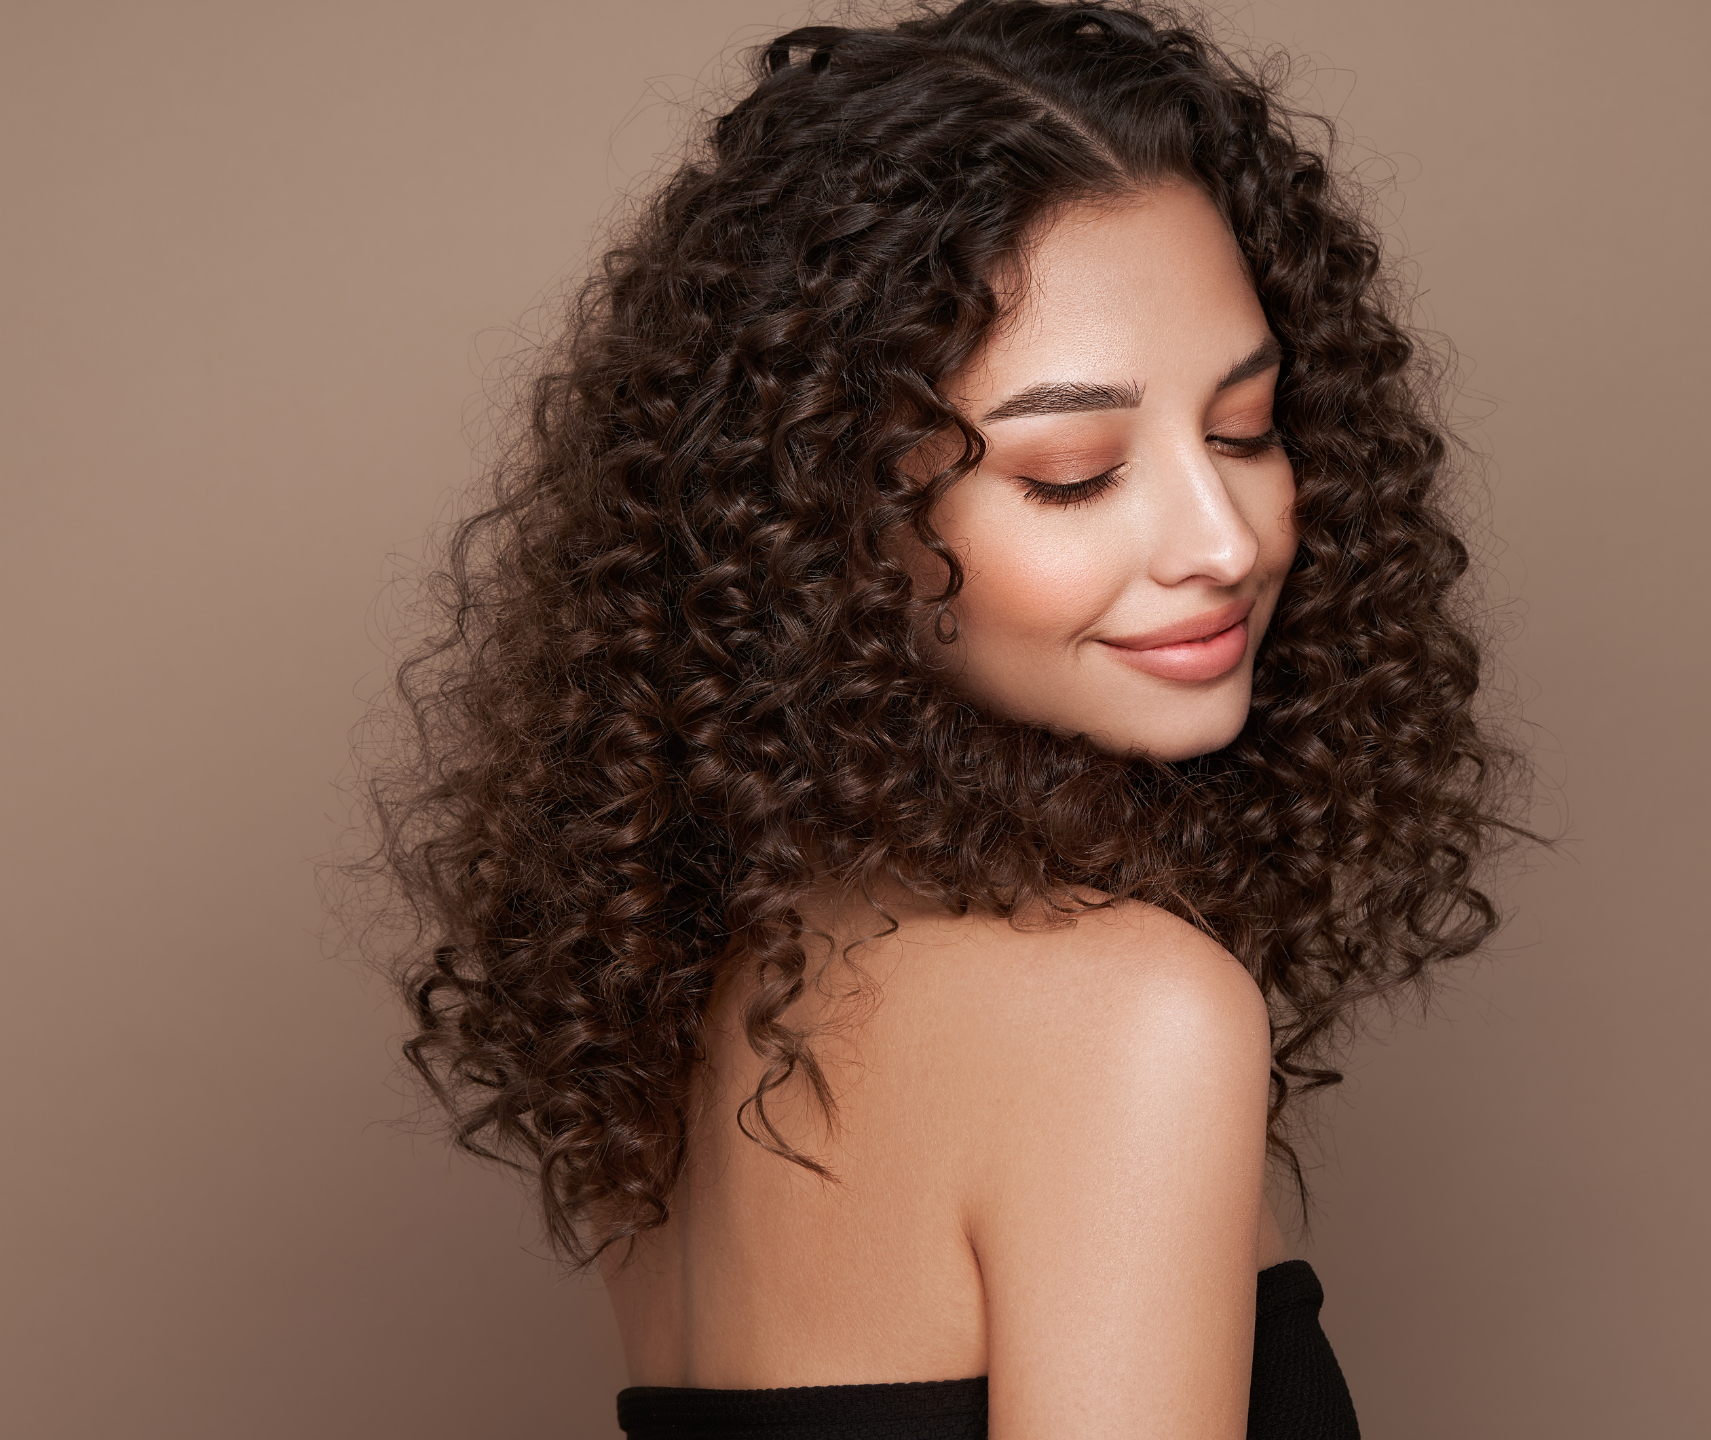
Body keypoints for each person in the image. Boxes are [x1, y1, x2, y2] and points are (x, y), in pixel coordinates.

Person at [369, 2, 1524, 1435]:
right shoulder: (1131, 1016)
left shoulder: (694, 1004)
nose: (1222, 538)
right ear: (828, 523)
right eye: (1073, 472)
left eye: (1244, 430)